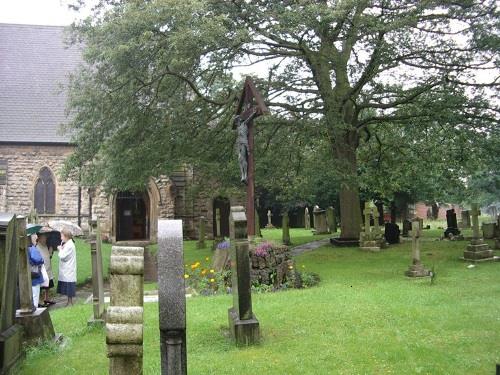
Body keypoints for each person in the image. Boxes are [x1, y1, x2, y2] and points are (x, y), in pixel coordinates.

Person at [57, 228, 77, 306]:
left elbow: (62, 256)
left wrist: (59, 249)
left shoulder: (69, 245)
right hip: (67, 269)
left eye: (61, 236)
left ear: (66, 236)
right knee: (68, 286)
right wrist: (63, 248)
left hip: (69, 269)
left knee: (69, 287)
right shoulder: (68, 244)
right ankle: (69, 302)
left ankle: (70, 302)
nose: (61, 238)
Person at [37, 232, 56, 306]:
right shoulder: (37, 246)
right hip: (42, 269)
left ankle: (46, 299)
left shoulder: (46, 245)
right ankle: (39, 301)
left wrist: (50, 251)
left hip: (48, 268)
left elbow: (48, 256)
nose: (45, 240)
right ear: (39, 238)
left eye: (46, 238)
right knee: (41, 285)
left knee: (48, 284)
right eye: (44, 238)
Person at [28, 234, 45, 309]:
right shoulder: (32, 248)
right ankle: (35, 310)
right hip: (34, 276)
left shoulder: (26, 248)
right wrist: (42, 260)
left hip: (27, 276)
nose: (36, 241)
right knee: (35, 295)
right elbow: (38, 259)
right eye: (36, 240)